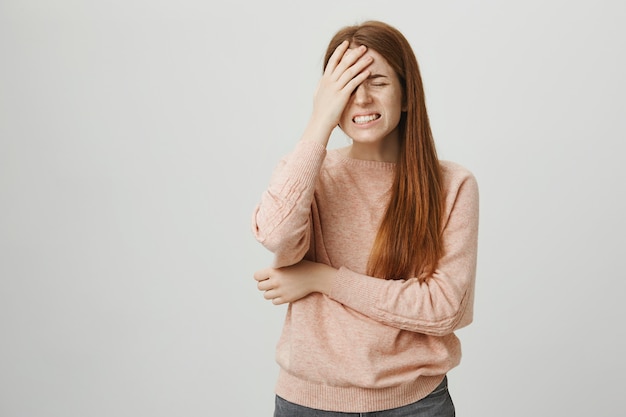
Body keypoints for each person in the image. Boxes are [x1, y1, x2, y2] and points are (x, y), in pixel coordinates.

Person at [251, 20, 479, 416]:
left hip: (415, 404)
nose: (361, 98)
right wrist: (318, 122)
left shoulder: (452, 185)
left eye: (377, 81)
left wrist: (321, 277)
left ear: (407, 95)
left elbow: (443, 308)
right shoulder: (307, 174)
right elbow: (273, 233)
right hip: (308, 403)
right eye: (345, 85)